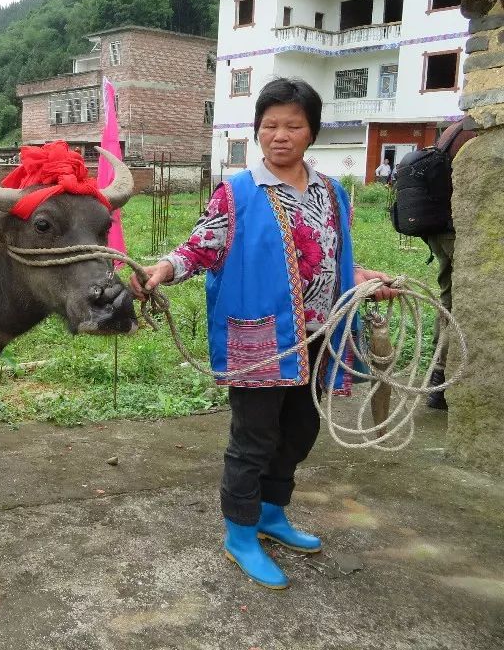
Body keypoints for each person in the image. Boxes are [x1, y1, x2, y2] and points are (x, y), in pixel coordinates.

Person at [131, 77, 395, 590]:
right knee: (254, 439)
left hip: (319, 335)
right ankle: (240, 533)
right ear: (257, 132)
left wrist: (364, 281)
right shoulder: (238, 192)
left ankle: (273, 514)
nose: (280, 135)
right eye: (270, 125)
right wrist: (161, 270)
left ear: (311, 132)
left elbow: (333, 258)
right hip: (260, 339)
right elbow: (199, 248)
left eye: (293, 125)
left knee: (300, 431)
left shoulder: (333, 192)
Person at [424, 120, 476, 410]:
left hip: (439, 231)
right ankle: (440, 378)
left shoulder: (452, 130)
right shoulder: (475, 132)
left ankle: (438, 376)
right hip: (455, 231)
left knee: (448, 299)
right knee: (457, 302)